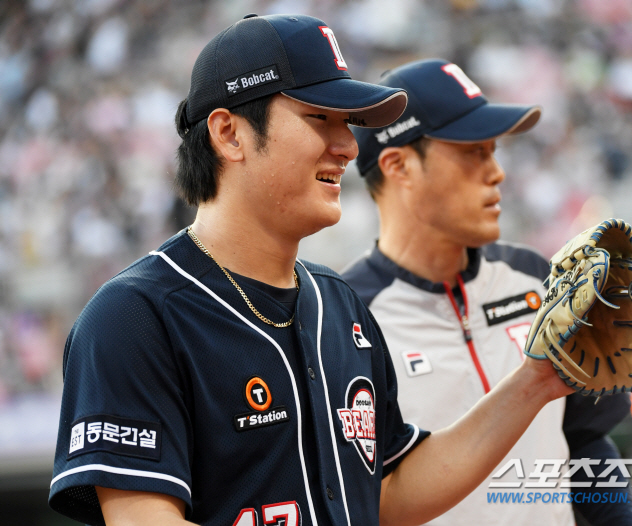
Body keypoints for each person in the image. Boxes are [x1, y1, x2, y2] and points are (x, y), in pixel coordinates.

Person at [49, 16, 572, 526]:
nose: (347, 145)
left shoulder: (338, 301)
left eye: (348, 123)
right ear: (229, 134)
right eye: (320, 117)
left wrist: (540, 379)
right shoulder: (133, 316)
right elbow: (142, 517)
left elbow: (387, 493)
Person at [343, 58, 632, 526]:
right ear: (398, 165)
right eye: (473, 153)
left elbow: (585, 437)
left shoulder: (535, 277)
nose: (497, 172)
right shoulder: (344, 318)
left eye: (494, 151)